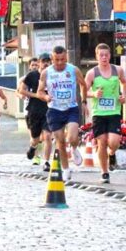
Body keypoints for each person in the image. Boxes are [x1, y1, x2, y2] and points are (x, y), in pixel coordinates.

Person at [38, 45, 88, 181]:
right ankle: (66, 169)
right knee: (60, 141)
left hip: (71, 108)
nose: (60, 63)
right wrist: (46, 97)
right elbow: (39, 91)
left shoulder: (73, 70)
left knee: (72, 137)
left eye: (62, 60)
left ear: (66, 58)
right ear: (52, 59)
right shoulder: (46, 73)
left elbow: (83, 85)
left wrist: (84, 102)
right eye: (56, 60)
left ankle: (74, 148)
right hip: (54, 109)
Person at [85, 43, 126, 184]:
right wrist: (94, 94)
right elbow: (83, 92)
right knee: (102, 142)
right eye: (101, 55)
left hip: (114, 111)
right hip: (99, 113)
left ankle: (112, 153)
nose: (104, 57)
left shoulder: (118, 70)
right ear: (97, 56)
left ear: (110, 55)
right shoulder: (92, 73)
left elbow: (124, 83)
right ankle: (104, 172)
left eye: (106, 55)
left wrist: (123, 95)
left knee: (113, 142)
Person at [17, 55, 53, 170]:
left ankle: (46, 162)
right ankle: (33, 147)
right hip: (34, 110)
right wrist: (36, 95)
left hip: (49, 110)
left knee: (47, 136)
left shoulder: (53, 75)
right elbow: (22, 90)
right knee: (35, 138)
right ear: (39, 63)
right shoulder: (32, 75)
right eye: (43, 61)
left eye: (48, 61)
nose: (46, 64)